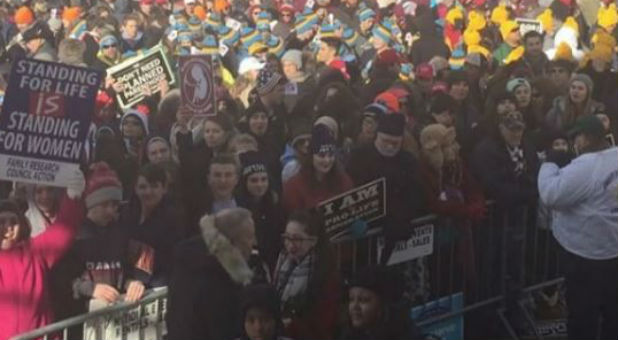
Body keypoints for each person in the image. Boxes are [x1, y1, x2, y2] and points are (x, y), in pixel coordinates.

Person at [538, 115, 618, 340]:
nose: (575, 143)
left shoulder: (587, 165)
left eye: (577, 137)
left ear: (588, 138)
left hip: (585, 254)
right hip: (613, 249)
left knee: (583, 314)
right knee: (613, 310)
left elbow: (551, 194)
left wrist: (549, 163)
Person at [0, 169, 85, 340]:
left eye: (13, 222)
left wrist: (73, 197)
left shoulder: (35, 250)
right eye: (2, 222)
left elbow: (64, 230)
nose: (8, 227)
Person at [347, 113, 426, 264]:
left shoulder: (408, 161)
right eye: (385, 141)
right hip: (367, 233)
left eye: (395, 143)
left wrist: (400, 216)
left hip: (398, 234)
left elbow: (416, 194)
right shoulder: (359, 156)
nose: (390, 147)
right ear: (377, 136)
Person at [167, 208, 256, 340]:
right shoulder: (220, 280)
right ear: (231, 242)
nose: (254, 243)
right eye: (249, 237)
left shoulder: (187, 261)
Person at [274, 210, 340, 340]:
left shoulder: (326, 273)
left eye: (297, 239)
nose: (290, 244)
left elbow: (324, 321)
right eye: (287, 237)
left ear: (313, 241)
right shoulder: (282, 262)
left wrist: (292, 325)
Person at [121, 163, 182, 287]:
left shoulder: (173, 219)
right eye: (143, 187)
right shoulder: (127, 214)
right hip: (127, 281)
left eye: (154, 186)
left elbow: (170, 263)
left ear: (164, 189)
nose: (148, 192)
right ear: (136, 189)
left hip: (158, 284)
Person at [283, 124, 354, 213]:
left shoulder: (343, 180)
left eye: (330, 155)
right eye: (321, 155)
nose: (327, 160)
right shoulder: (294, 186)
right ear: (311, 157)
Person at [340, 266, 421, 340]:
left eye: (364, 300)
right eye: (351, 299)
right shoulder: (349, 334)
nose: (355, 306)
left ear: (383, 305)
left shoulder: (405, 334)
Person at [237, 151, 285, 270]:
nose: (260, 184)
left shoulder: (275, 204)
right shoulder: (237, 207)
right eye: (254, 180)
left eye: (264, 179)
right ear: (245, 182)